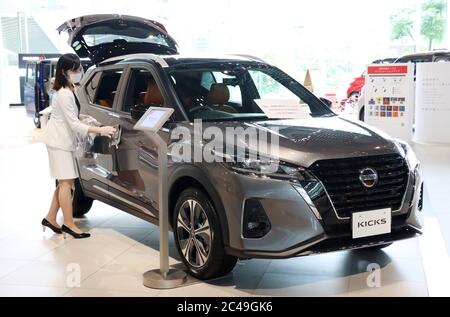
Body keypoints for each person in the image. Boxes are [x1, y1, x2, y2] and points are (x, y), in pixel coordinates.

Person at [39, 53, 116, 239]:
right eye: (76, 69)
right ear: (65, 71)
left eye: (79, 68)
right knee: (67, 183)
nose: (79, 72)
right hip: (59, 142)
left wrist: (83, 117)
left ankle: (50, 217)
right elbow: (73, 125)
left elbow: (68, 116)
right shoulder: (64, 93)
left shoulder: (66, 88)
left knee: (64, 181)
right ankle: (69, 224)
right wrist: (100, 130)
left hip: (61, 140)